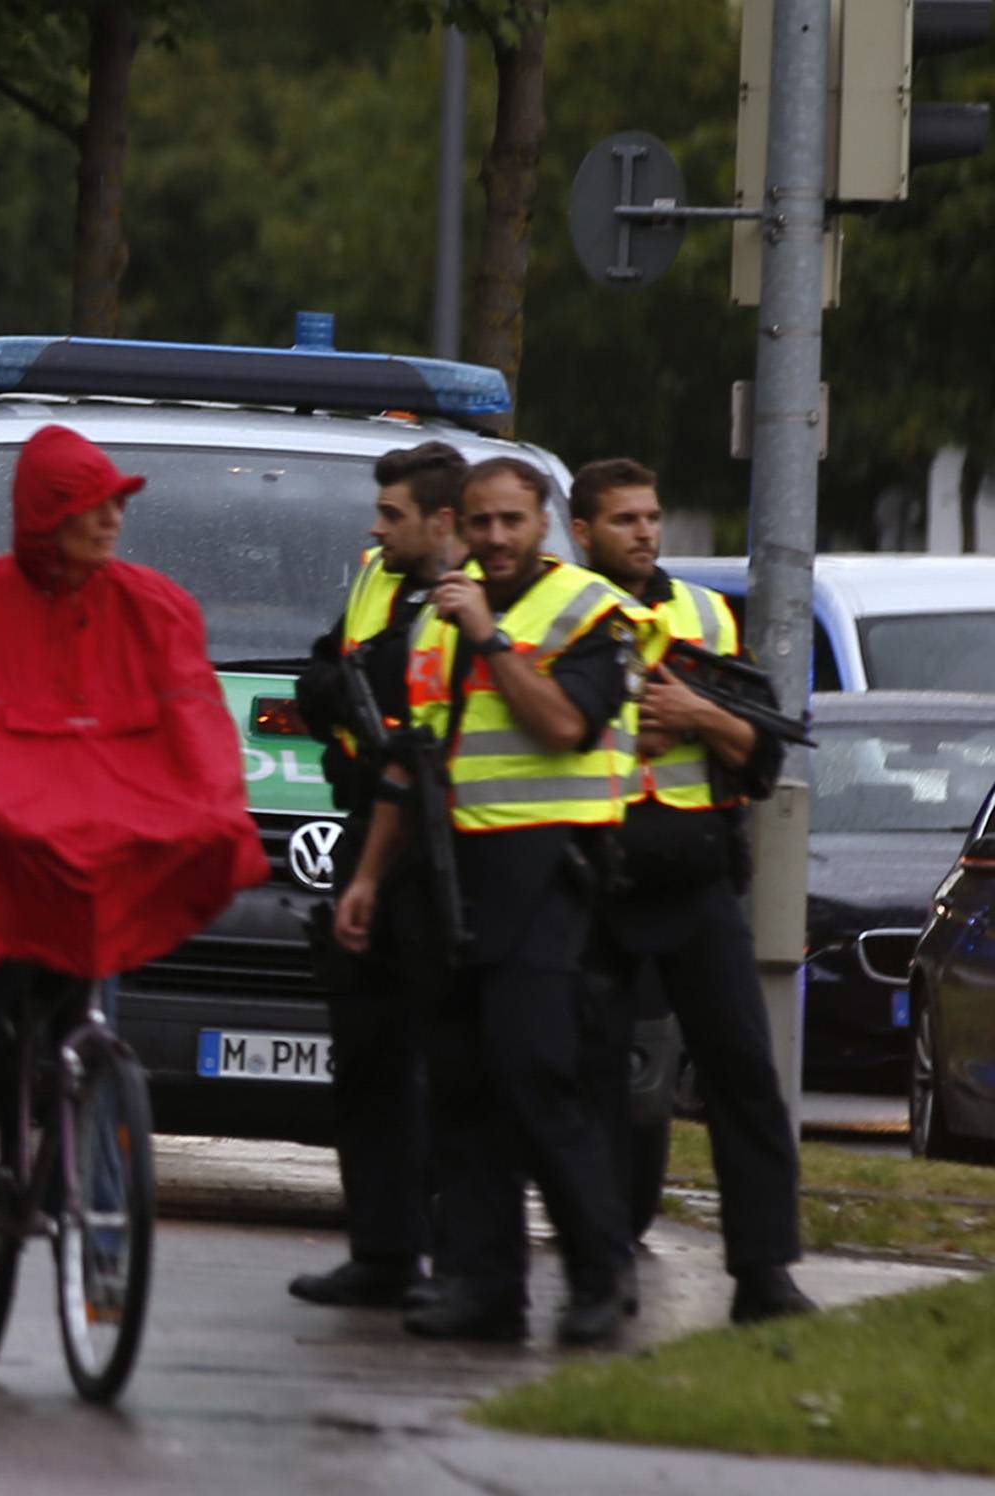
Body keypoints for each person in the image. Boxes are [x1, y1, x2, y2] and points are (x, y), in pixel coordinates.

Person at [0, 424, 265, 1148]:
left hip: (91, 835)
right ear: (49, 516)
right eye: (92, 505)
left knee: (72, 976)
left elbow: (196, 718)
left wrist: (216, 806)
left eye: (116, 504)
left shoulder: (154, 608)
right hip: (3, 830)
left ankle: (60, 1151)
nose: (113, 520)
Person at [335, 456, 642, 1346]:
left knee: (536, 1075)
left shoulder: (588, 612)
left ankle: (597, 1271)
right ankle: (481, 1284)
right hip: (445, 869)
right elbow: (410, 758)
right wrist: (365, 879)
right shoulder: (438, 622)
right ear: (460, 528)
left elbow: (561, 726)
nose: (496, 539)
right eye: (481, 524)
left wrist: (495, 641)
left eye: (513, 521)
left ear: (544, 522)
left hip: (546, 872)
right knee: (460, 1086)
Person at [569, 457, 814, 1325]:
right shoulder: (557, 610)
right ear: (582, 533)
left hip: (695, 876)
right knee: (589, 1087)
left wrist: (702, 717)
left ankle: (766, 1275)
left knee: (743, 1074)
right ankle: (599, 1279)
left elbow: (764, 749)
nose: (644, 532)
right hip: (591, 879)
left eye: (652, 516)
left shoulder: (706, 614)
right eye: (624, 519)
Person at [287, 440, 470, 1310]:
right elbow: (323, 665)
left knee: (450, 1061)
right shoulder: (374, 578)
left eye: (392, 514)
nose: (376, 527)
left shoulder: (469, 602)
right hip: (369, 827)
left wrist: (354, 684)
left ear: (441, 522)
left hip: (445, 848)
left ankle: (456, 1259)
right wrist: (340, 685)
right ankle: (383, 1251)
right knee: (365, 1056)